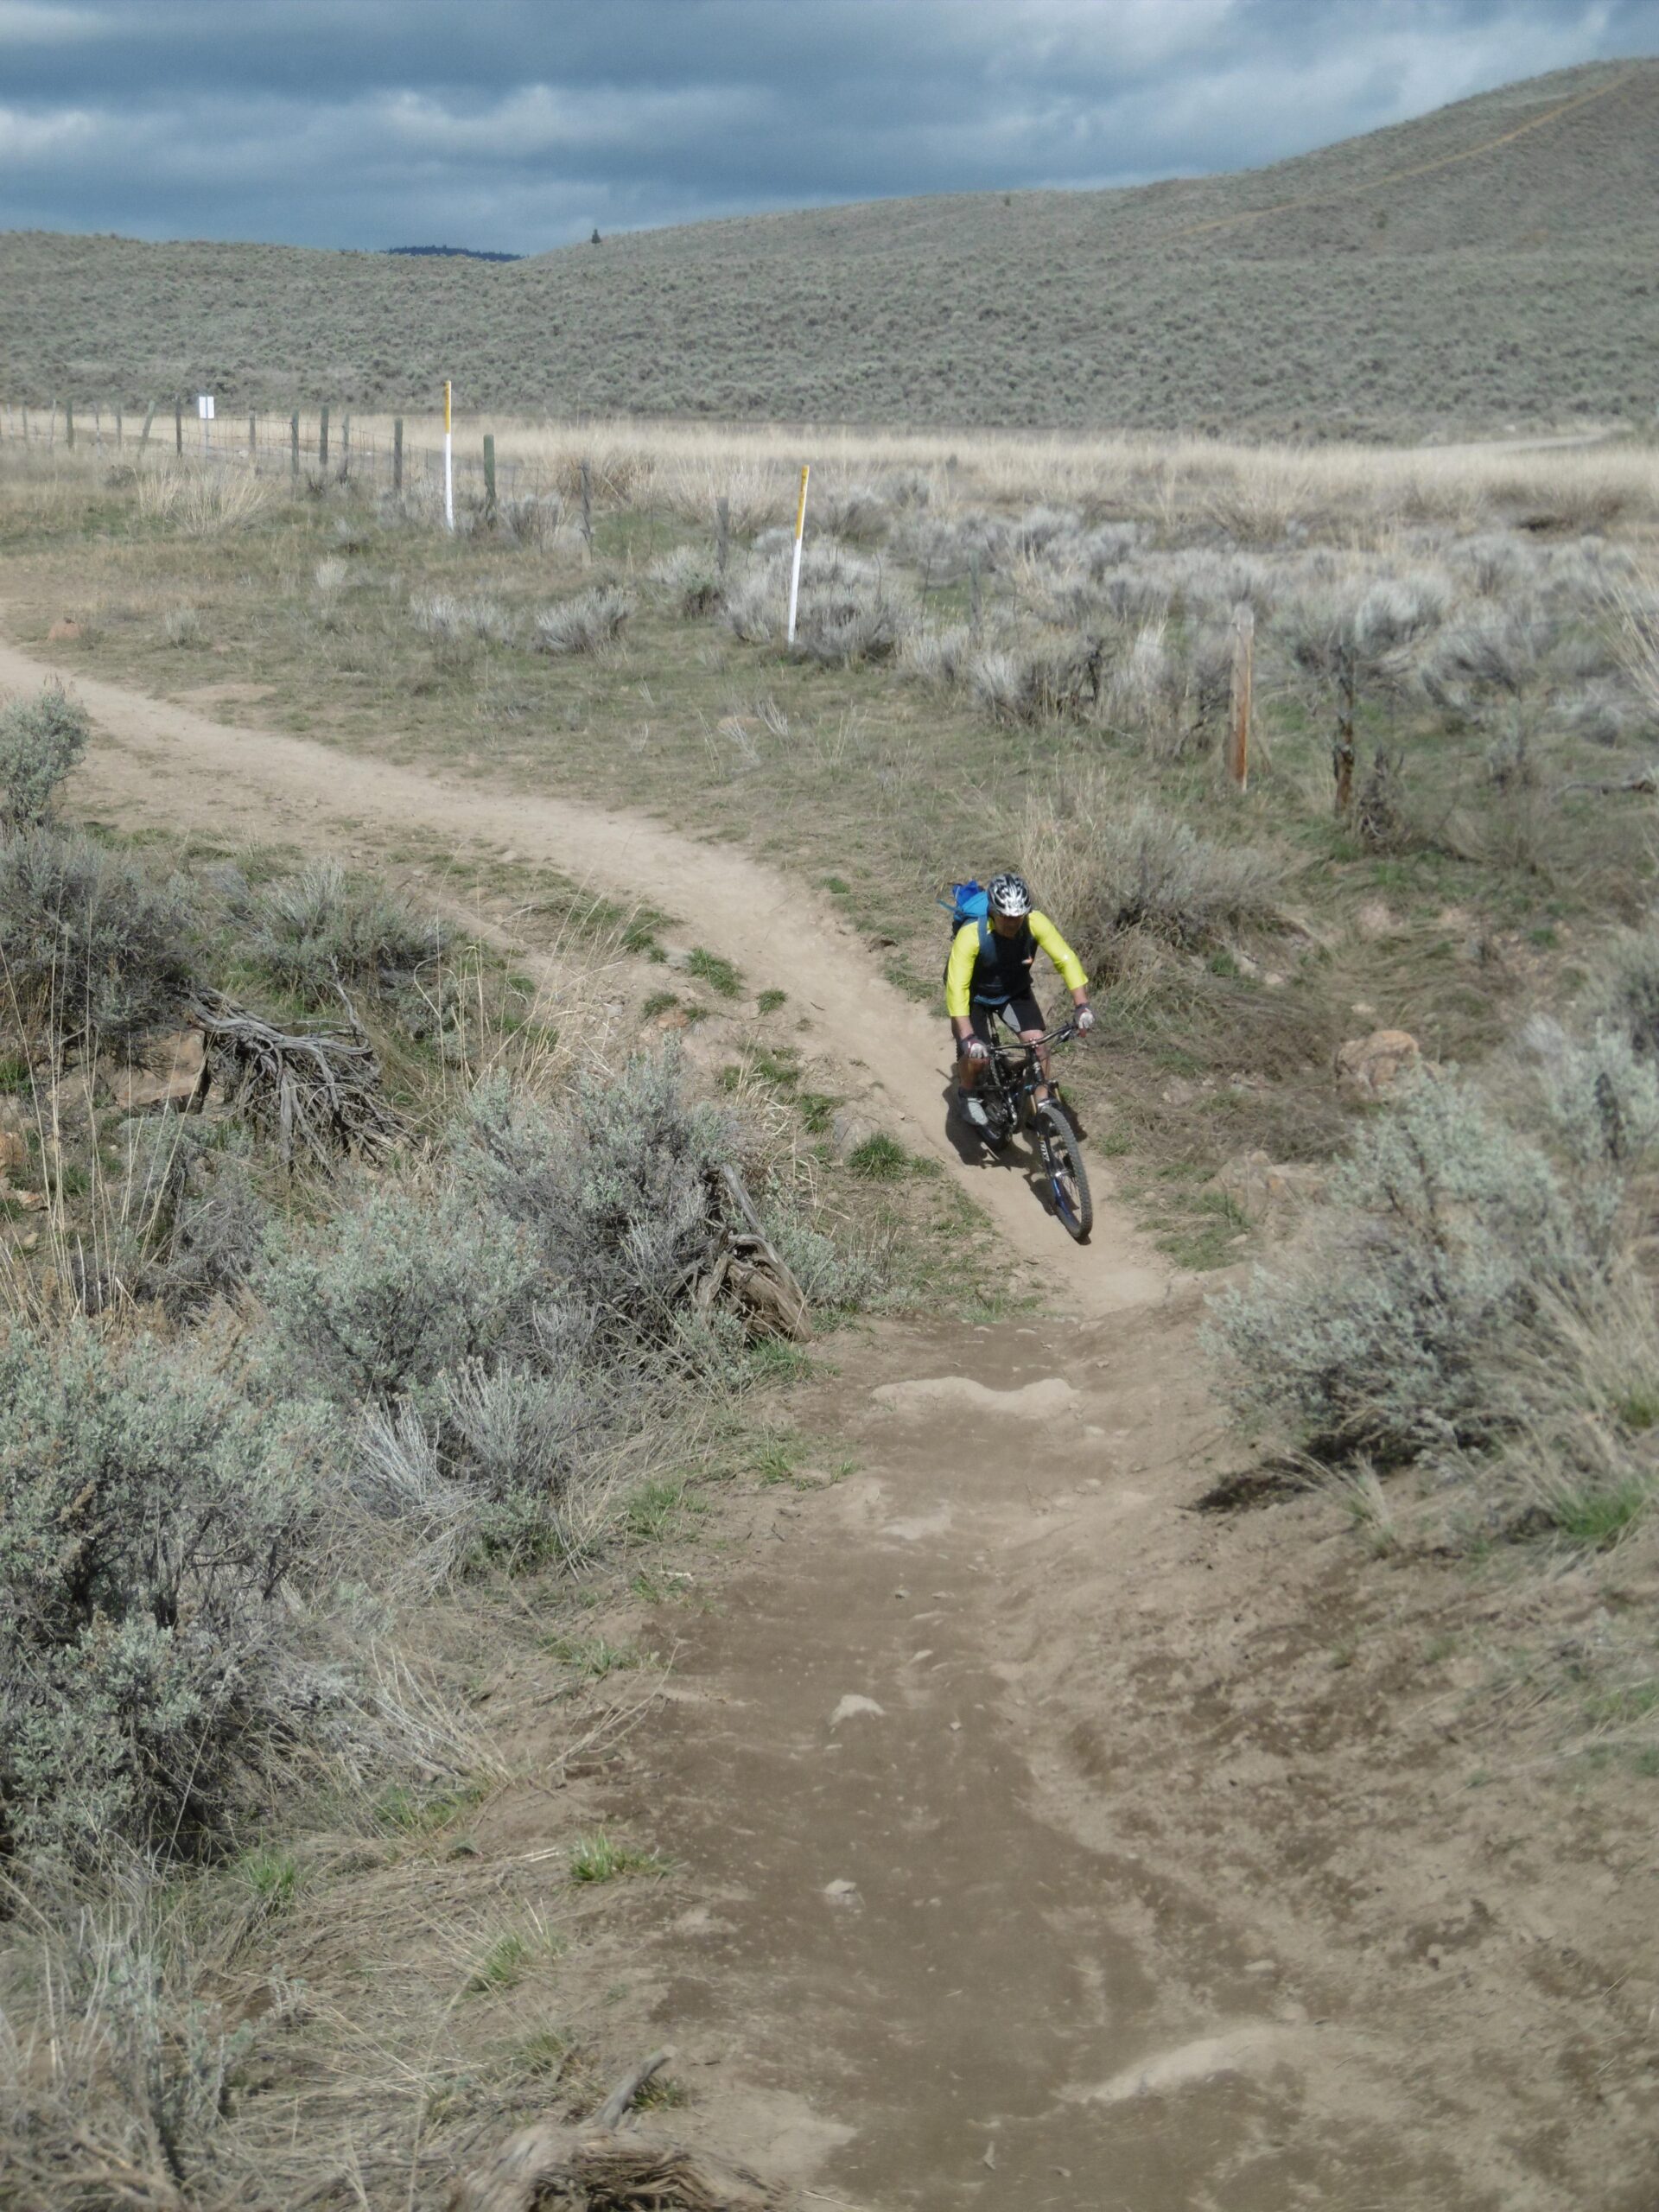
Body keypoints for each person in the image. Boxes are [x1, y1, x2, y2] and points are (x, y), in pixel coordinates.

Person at [946, 872, 1093, 1130]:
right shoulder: (971, 935)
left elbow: (1065, 959)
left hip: (1012, 989)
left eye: (1018, 916)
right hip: (973, 995)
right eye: (1006, 916)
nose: (1013, 922)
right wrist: (969, 1037)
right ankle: (968, 1093)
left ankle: (1043, 1109)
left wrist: (1082, 1005)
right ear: (993, 910)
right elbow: (958, 988)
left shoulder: (1035, 922)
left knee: (1038, 1046)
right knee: (978, 1057)